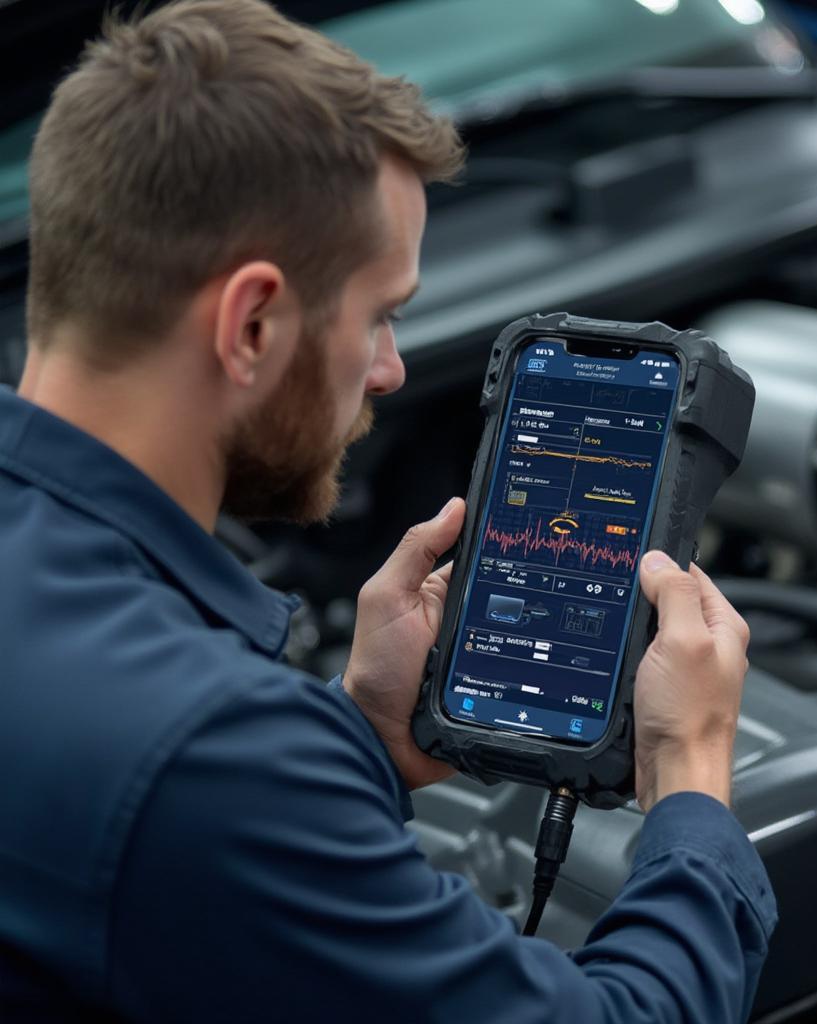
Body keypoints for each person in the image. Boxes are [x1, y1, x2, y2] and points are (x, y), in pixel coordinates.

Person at [0, 1, 776, 1020]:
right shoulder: (211, 761)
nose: (391, 370)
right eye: (378, 317)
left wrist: (359, 729)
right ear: (253, 321)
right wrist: (689, 774)